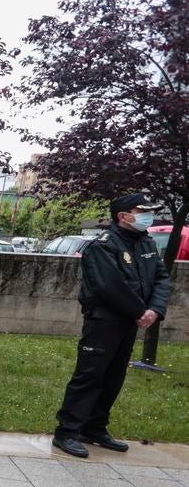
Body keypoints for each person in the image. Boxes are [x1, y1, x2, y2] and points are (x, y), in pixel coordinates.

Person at [53, 192, 171, 458]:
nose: (147, 216)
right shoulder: (103, 246)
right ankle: (67, 431)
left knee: (114, 377)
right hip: (104, 322)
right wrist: (141, 311)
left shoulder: (147, 244)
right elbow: (109, 286)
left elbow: (161, 278)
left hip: (131, 321)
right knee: (89, 376)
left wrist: (155, 310)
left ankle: (95, 428)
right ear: (123, 216)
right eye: (141, 211)